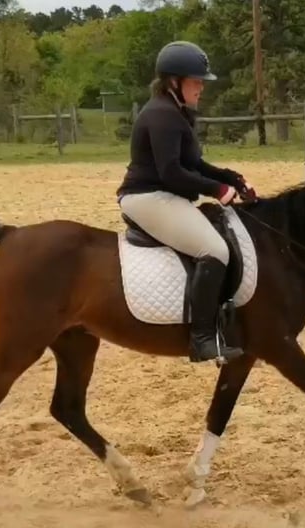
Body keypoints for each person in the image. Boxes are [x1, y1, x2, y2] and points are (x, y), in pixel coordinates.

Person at [115, 40, 257, 364]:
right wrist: (217, 191)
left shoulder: (177, 113)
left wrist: (231, 179)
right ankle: (202, 339)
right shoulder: (162, 115)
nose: (201, 88)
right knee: (215, 250)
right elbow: (172, 172)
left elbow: (194, 165)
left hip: (163, 194)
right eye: (196, 81)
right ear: (173, 82)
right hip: (148, 197)